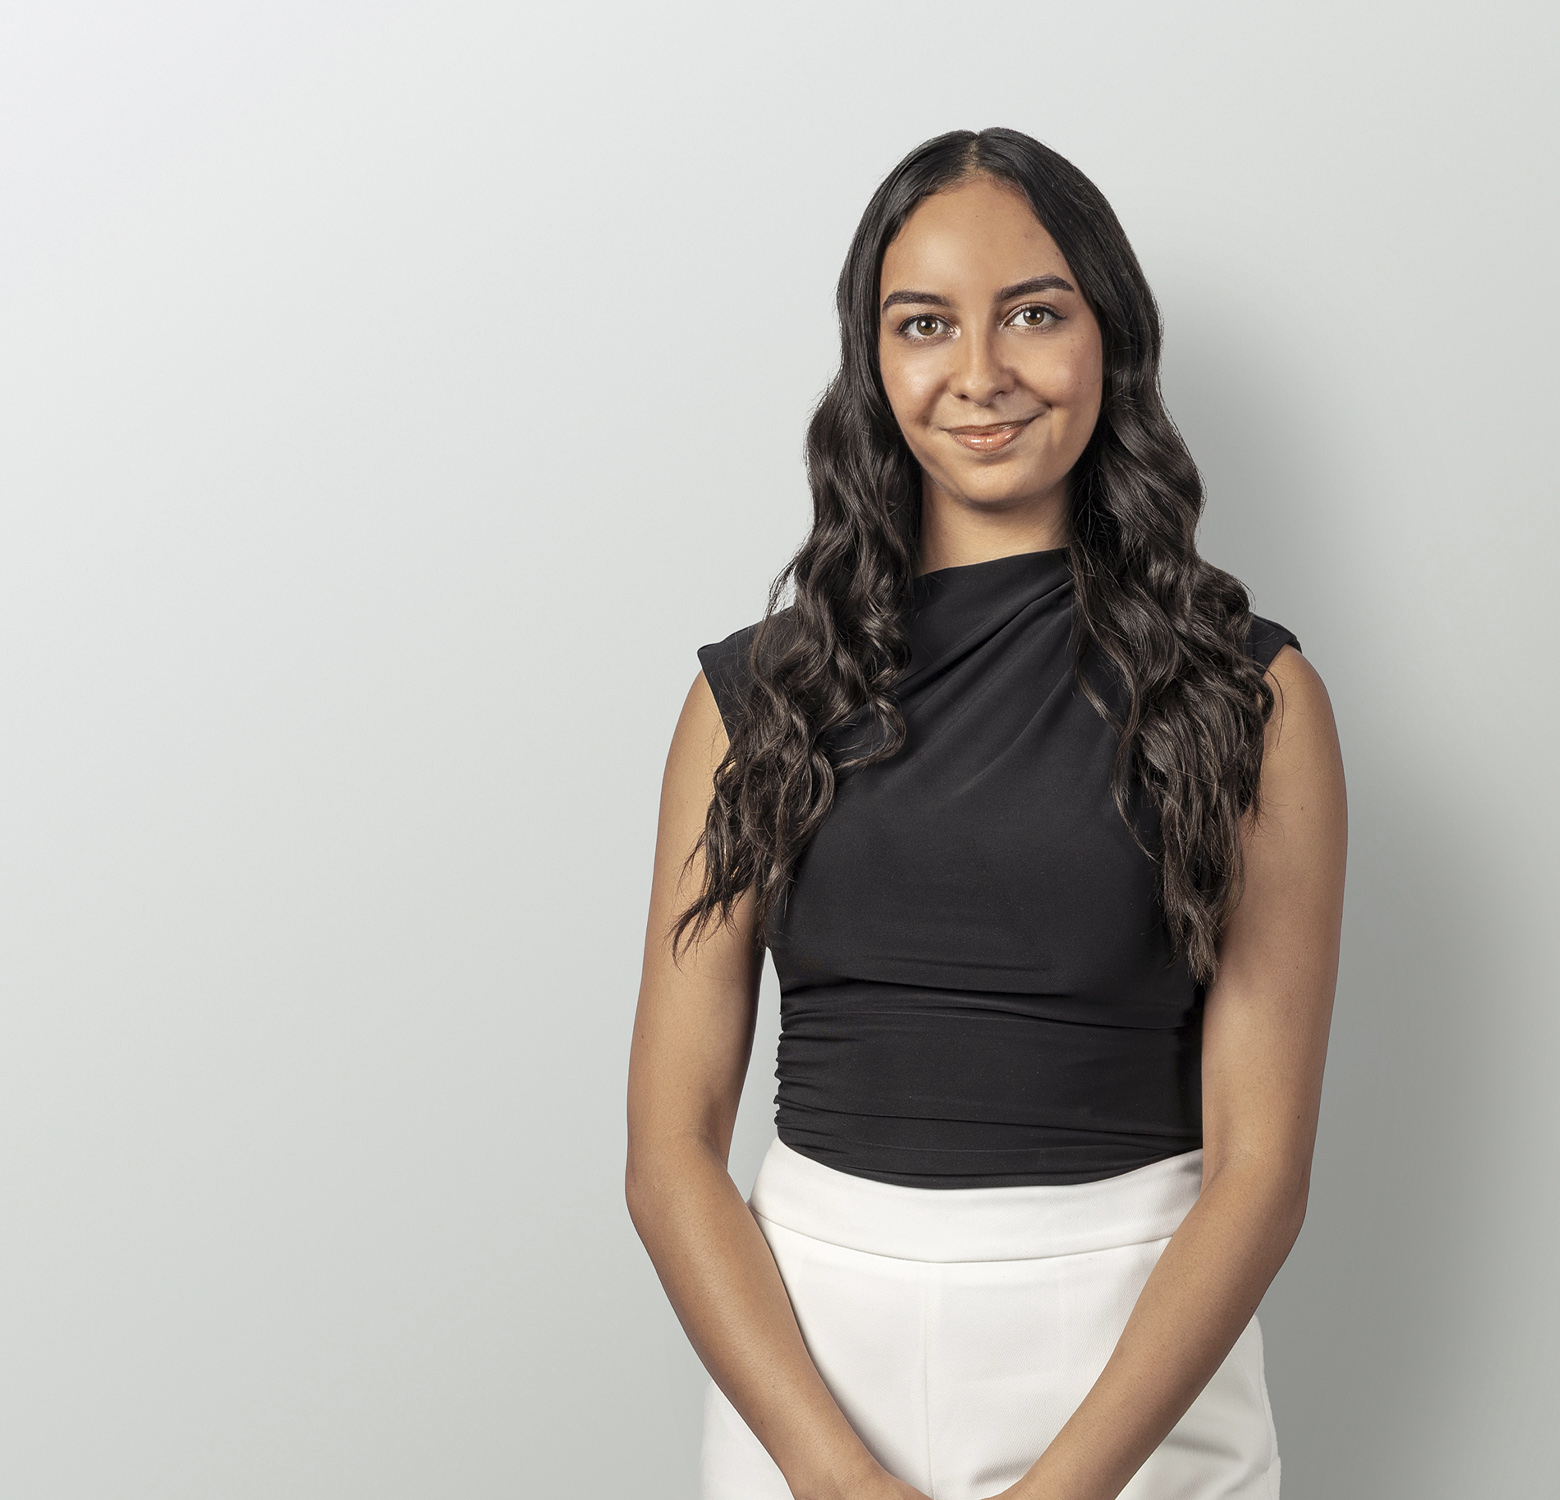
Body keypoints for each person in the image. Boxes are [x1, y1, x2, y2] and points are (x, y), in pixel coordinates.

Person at [625, 126, 1347, 1500]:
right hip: (811, 1373)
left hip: (1134, 1381)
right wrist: (837, 1479)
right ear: (871, 361)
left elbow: (1262, 1170)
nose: (980, 373)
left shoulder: (1249, 699)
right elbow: (669, 1151)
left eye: (1033, 313)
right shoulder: (753, 700)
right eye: (924, 324)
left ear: (1111, 338)